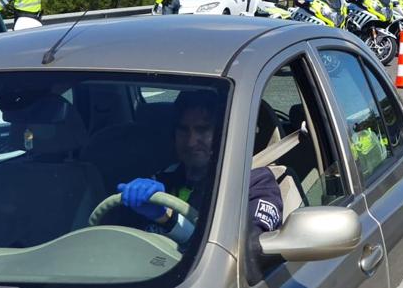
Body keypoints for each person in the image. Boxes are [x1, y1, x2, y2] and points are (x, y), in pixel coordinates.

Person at [117, 92, 283, 250]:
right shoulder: (161, 178)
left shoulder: (254, 183)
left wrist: (167, 220)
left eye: (202, 130)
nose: (190, 142)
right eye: (183, 130)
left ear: (224, 133)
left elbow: (244, 253)